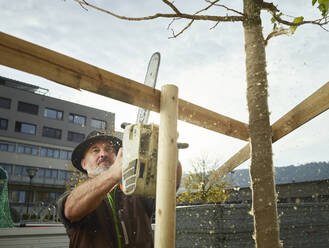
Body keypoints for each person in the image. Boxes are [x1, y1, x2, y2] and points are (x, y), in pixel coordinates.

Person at [57, 130, 182, 248]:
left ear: (117, 157)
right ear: (83, 164)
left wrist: (168, 151)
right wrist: (113, 174)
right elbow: (71, 210)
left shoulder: (136, 191)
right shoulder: (77, 195)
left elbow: (170, 184)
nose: (103, 154)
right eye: (95, 150)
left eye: (109, 149)